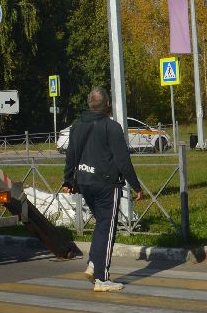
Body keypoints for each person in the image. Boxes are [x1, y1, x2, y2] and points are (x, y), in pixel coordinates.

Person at [62, 86, 145, 292]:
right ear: (108, 105)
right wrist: (136, 186)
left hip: (84, 183)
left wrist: (67, 181)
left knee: (102, 225)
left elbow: (70, 155)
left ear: (90, 104)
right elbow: (122, 160)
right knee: (108, 229)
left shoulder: (77, 125)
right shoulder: (112, 127)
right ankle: (102, 278)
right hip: (106, 184)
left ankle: (93, 264)